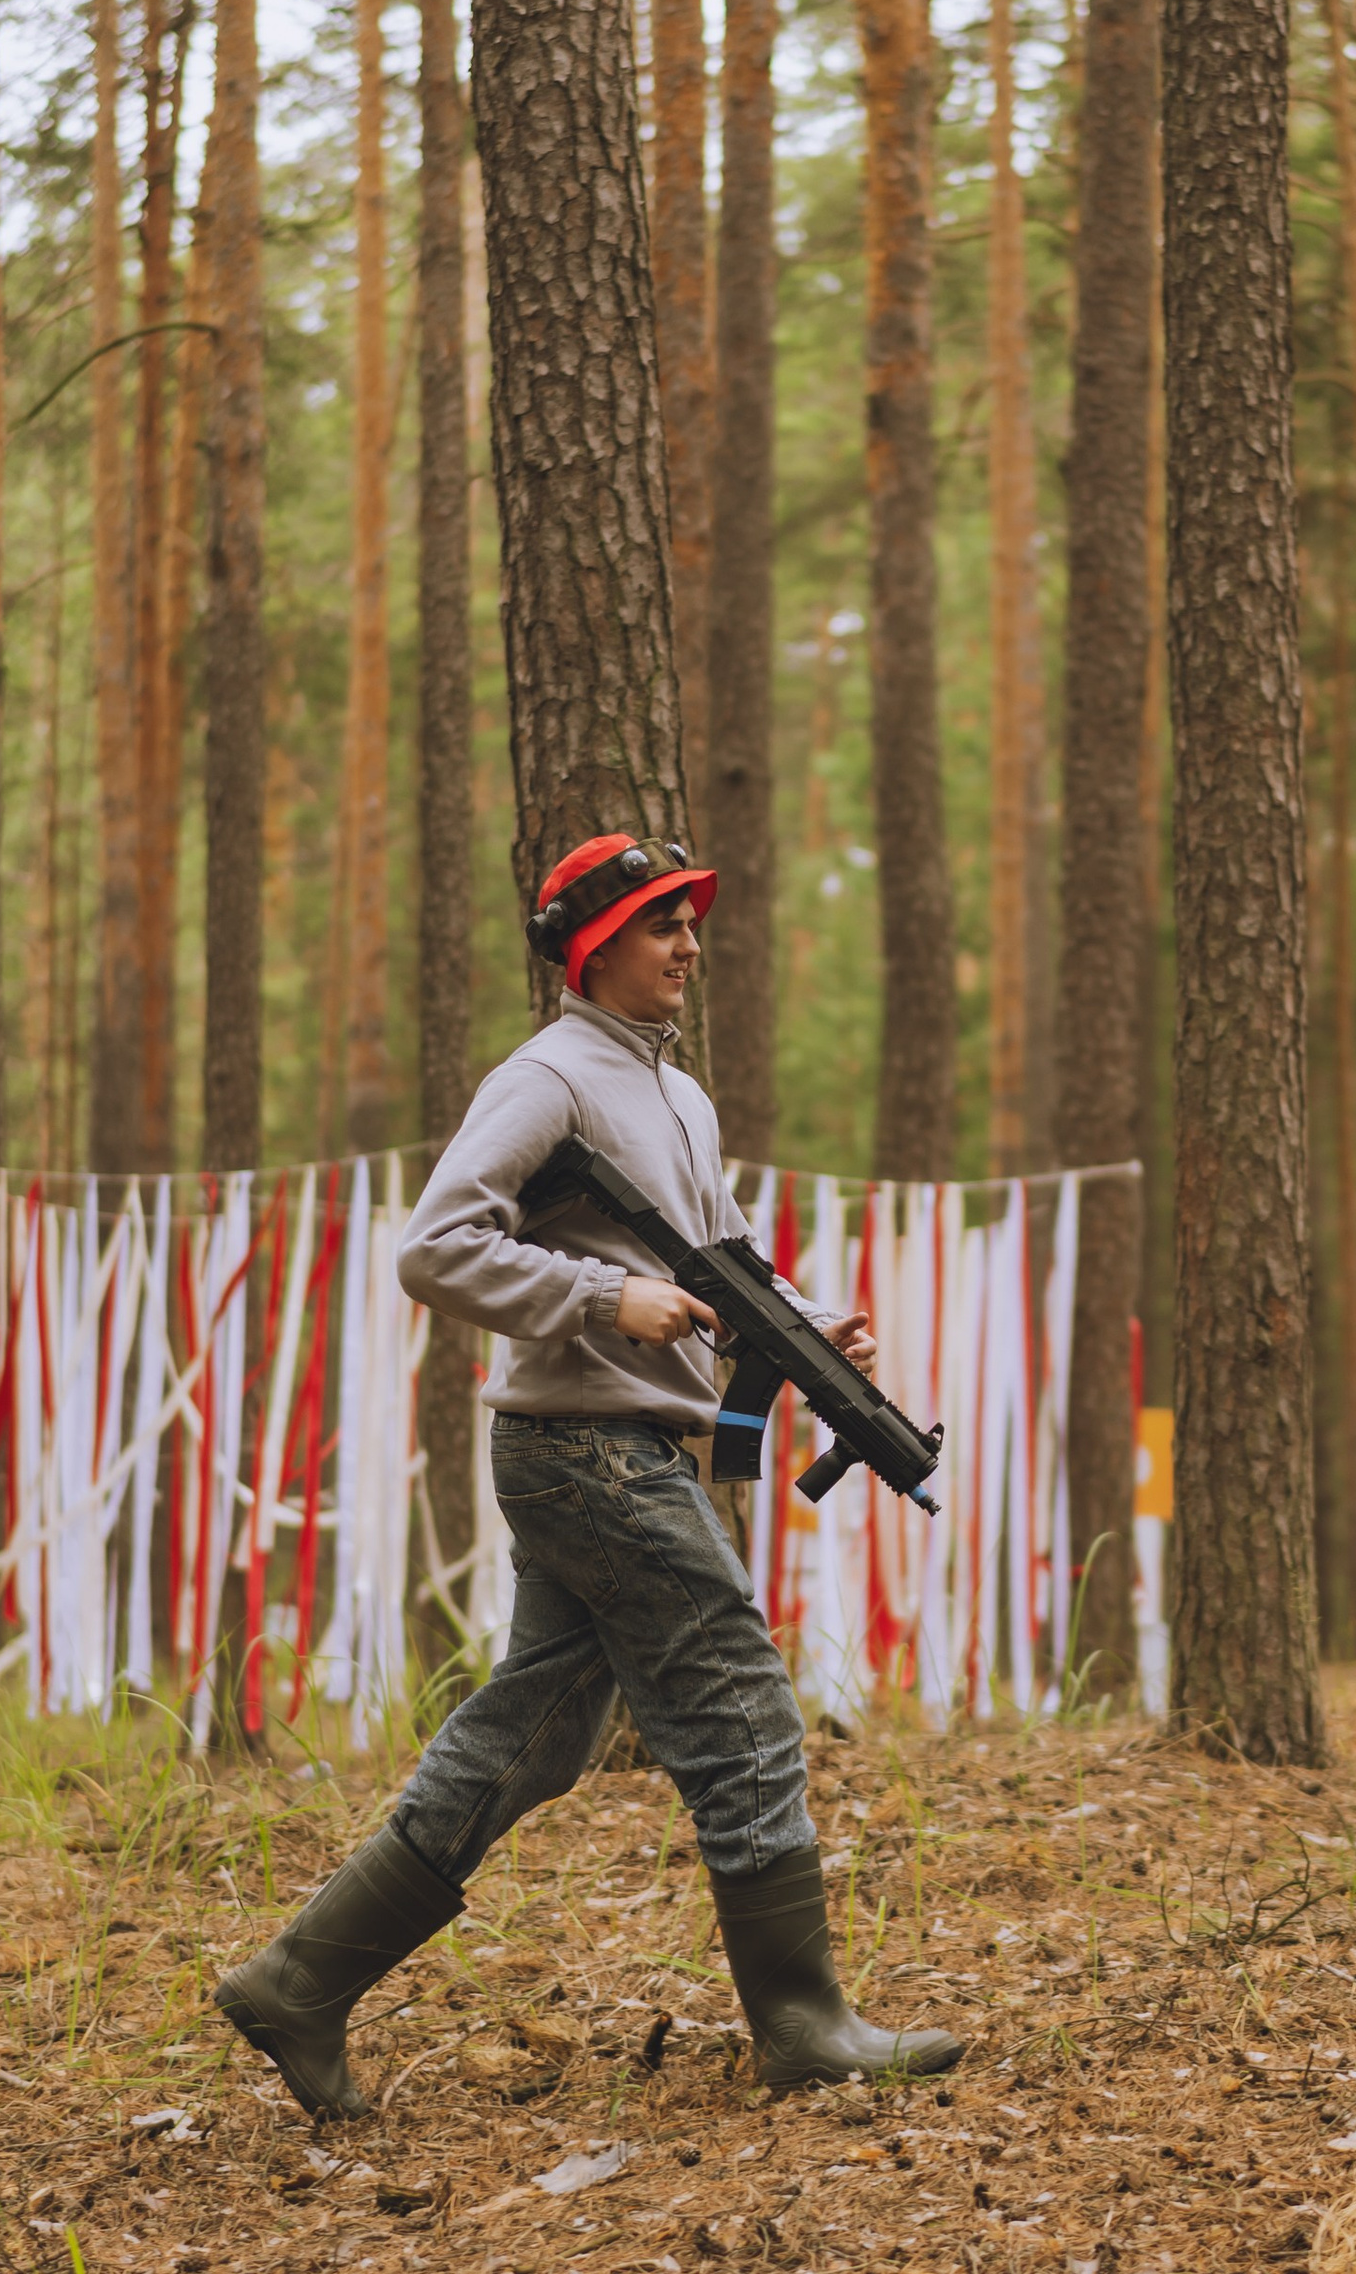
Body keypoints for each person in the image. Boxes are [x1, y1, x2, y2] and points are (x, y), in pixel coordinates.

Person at [215, 830, 965, 2121]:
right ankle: (803, 2024)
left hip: (620, 1449)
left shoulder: (676, 1093)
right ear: (593, 946)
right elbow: (435, 1248)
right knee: (741, 1701)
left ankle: (298, 1983)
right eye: (664, 924)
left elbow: (714, 1258)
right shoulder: (547, 1078)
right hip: (584, 1453)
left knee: (536, 1735)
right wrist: (601, 1297)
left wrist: (803, 1319)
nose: (688, 946)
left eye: (691, 923)